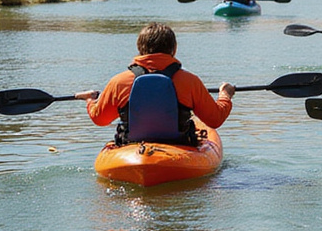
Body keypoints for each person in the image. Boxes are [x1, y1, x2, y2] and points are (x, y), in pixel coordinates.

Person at [75, 22, 235, 146]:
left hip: (132, 146)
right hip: (179, 145)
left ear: (139, 49)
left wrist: (90, 100)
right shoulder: (189, 81)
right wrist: (225, 95)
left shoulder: (119, 82)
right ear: (174, 49)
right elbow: (215, 120)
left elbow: (99, 119)